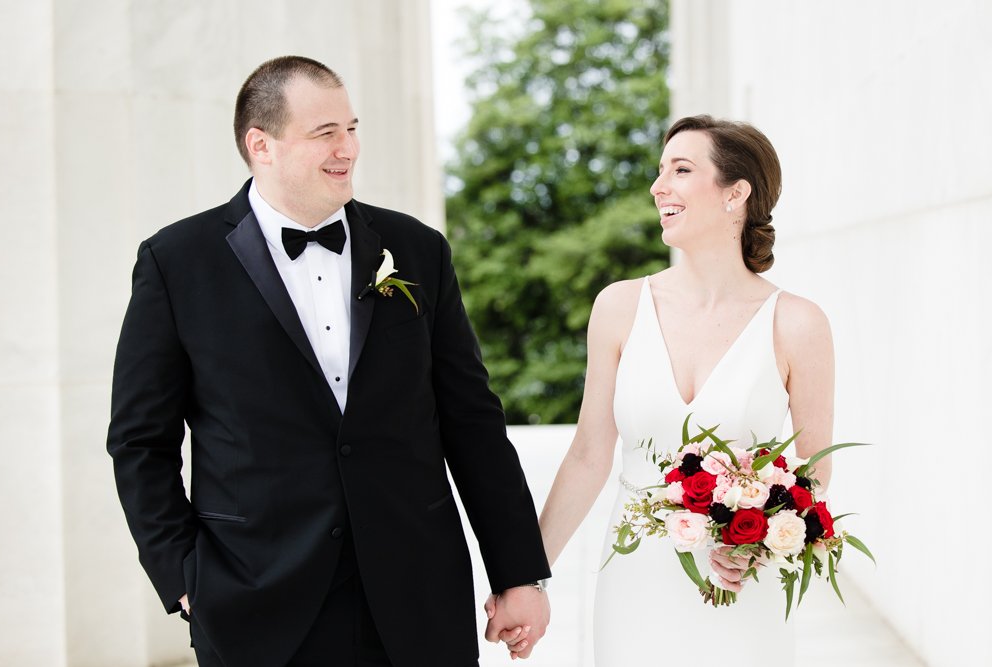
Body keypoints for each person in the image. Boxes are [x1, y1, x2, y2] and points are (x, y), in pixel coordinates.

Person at [106, 55, 550, 667]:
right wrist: (184, 577)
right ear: (261, 144)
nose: (349, 148)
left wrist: (518, 572)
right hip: (254, 599)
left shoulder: (417, 249)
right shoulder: (177, 261)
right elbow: (139, 441)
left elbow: (471, 419)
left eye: (352, 127)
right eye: (325, 133)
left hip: (417, 595)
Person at [488, 115, 835, 663]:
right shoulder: (619, 307)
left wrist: (752, 548)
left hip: (739, 586)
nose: (657, 187)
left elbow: (814, 471)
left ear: (735, 194)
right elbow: (587, 456)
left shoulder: (797, 323)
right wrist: (527, 579)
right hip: (633, 579)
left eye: (681, 169)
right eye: (659, 171)